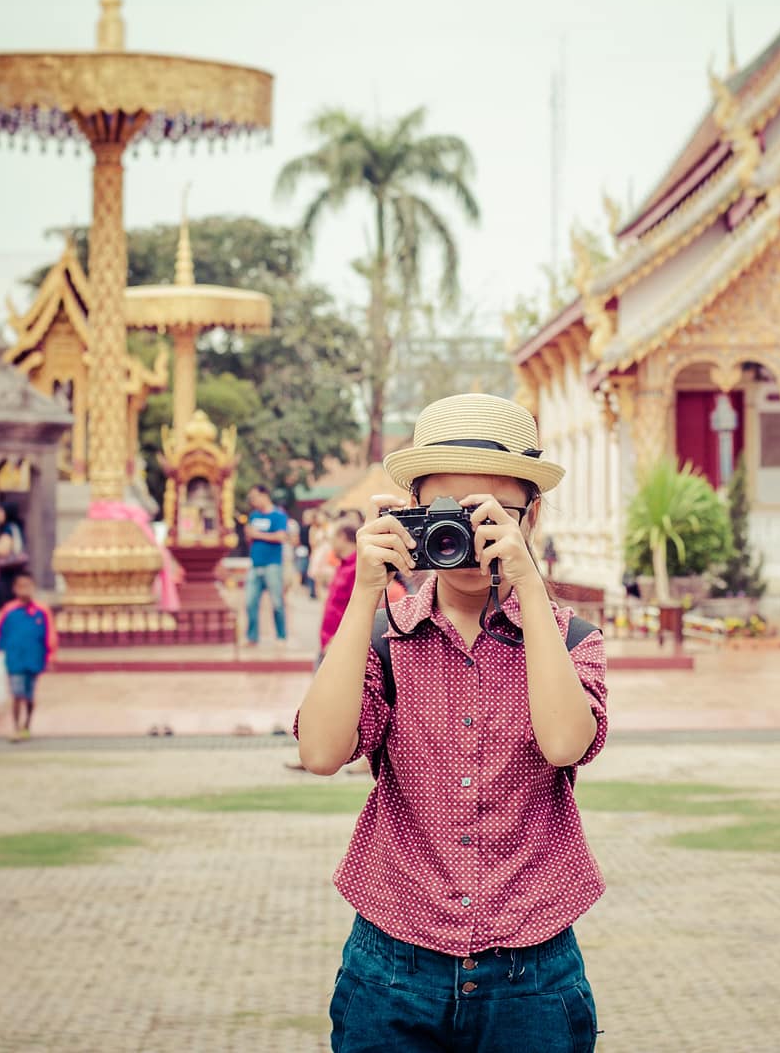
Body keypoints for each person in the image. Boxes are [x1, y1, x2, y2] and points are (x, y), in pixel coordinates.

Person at [294, 393, 606, 1052]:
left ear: (530, 516)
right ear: (410, 513)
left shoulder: (570, 639)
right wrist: (366, 592)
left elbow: (564, 743)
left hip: (533, 972)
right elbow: (320, 752)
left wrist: (527, 583)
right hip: (392, 967)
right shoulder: (386, 639)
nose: (462, 536)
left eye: (489, 514)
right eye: (446, 513)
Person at [0, 572, 57, 743]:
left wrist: (51, 656)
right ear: (14, 589)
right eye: (21, 586)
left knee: (29, 696)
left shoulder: (42, 610)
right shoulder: (9, 610)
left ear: (33, 587)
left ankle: (27, 725)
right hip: (14, 658)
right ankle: (16, 727)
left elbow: (50, 635)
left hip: (34, 657)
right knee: (16, 693)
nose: (24, 589)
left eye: (28, 585)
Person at [242, 485, 289, 646]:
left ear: (264, 495)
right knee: (250, 601)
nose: (253, 501)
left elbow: (281, 536)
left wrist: (258, 534)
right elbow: (250, 538)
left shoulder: (278, 515)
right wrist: (249, 535)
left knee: (277, 602)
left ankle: (281, 636)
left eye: (254, 497)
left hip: (272, 565)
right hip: (255, 564)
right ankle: (252, 636)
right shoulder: (254, 516)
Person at [317, 524, 360, 662]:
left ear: (342, 537)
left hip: (339, 644)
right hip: (330, 641)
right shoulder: (344, 564)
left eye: (333, 539)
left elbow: (358, 608)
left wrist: (337, 639)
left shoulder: (357, 567)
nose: (331, 544)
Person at [0, 502, 29, 616]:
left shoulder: (9, 528)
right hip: (14, 572)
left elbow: (3, 550)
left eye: (0, 512)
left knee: (0, 606)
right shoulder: (16, 527)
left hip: (8, 574)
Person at [297, 508, 318, 599]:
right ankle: (301, 588)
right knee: (301, 570)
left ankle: (312, 590)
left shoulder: (313, 527)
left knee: (310, 572)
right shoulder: (302, 527)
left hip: (311, 552)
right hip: (303, 552)